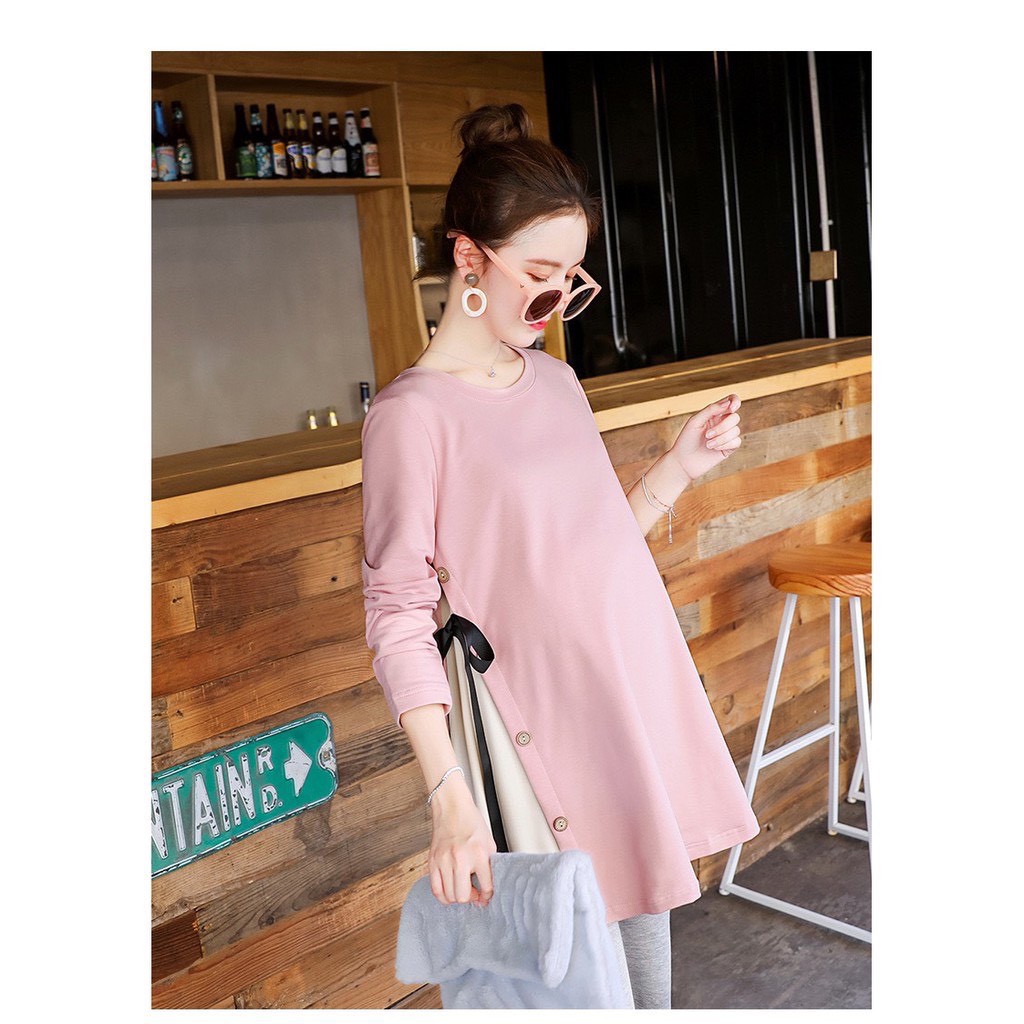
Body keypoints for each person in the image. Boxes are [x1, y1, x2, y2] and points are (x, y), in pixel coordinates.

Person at [360, 103, 760, 1010]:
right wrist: (450, 797)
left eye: (571, 279)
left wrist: (679, 467)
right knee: (576, 991)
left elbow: (590, 551)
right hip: (536, 743)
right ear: (470, 258)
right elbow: (396, 618)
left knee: (647, 989)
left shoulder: (556, 380)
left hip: (619, 712)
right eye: (539, 277)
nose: (556, 303)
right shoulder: (412, 418)